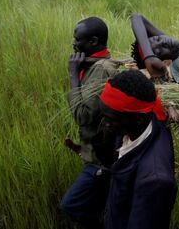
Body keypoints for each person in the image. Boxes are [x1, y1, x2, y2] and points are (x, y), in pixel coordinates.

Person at [61, 17, 120, 229]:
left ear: (93, 42)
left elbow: (83, 116)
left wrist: (73, 76)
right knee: (101, 203)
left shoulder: (102, 70)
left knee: (71, 205)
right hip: (94, 153)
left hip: (100, 160)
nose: (74, 44)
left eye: (78, 39)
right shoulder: (94, 65)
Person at [100, 70, 177, 229]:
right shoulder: (136, 125)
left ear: (138, 118)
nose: (105, 124)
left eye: (110, 119)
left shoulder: (154, 182)